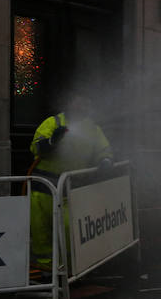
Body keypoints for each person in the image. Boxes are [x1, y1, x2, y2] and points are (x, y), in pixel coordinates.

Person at [29, 93, 113, 279]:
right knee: (40, 232)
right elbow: (36, 147)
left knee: (68, 230)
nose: (83, 104)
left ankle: (71, 268)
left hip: (67, 189)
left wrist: (105, 161)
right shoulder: (53, 123)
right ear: (69, 103)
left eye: (86, 101)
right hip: (41, 189)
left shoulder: (92, 129)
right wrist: (52, 142)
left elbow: (103, 149)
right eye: (79, 100)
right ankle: (46, 272)